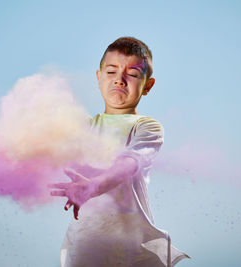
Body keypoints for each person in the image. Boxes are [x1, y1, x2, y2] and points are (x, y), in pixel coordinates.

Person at [50, 37, 190, 267]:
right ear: (98, 77)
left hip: (131, 247)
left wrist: (94, 185)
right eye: (111, 72)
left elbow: (127, 165)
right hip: (86, 242)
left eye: (132, 75)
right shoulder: (81, 126)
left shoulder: (147, 126)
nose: (120, 80)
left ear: (148, 85)